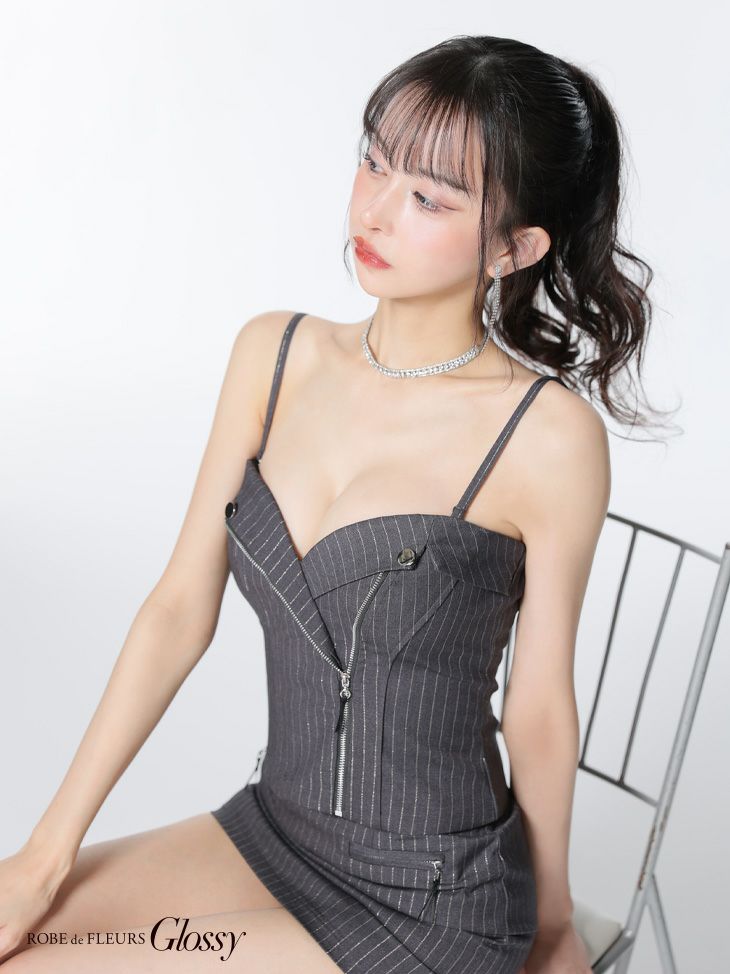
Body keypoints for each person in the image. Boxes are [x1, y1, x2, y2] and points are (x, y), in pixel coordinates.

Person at [0, 33, 664, 974]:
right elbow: (177, 610)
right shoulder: (273, 355)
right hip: (274, 830)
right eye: (374, 161)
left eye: (430, 198)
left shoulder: (547, 436)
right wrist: (44, 853)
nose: (375, 211)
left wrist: (553, 929)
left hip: (435, 900)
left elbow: (540, 704)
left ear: (513, 248)